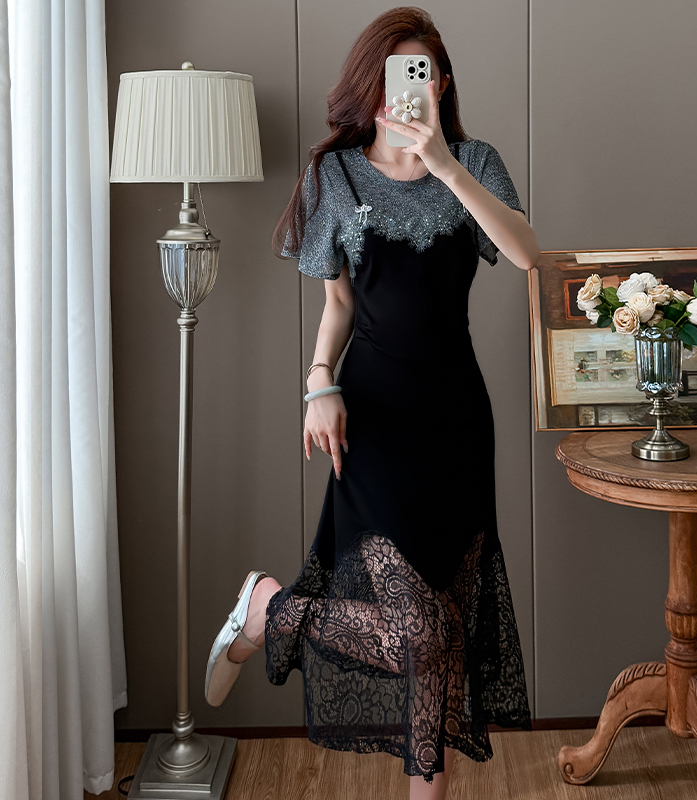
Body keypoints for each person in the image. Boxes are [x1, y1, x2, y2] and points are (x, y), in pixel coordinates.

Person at [204, 7, 540, 798]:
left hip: (459, 419)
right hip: (375, 420)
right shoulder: (336, 175)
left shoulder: (476, 162)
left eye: (421, 74)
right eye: (393, 76)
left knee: (445, 633)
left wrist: (444, 164)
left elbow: (528, 254)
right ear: (372, 86)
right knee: (419, 633)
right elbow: (338, 305)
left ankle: (422, 788)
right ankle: (266, 608)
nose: (406, 91)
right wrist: (319, 382)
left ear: (441, 84)